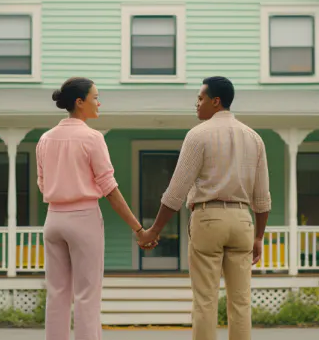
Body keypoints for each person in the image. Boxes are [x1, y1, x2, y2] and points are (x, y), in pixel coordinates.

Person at [138, 76, 270, 340]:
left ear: (216, 101)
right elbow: (262, 197)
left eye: (200, 98)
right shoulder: (254, 139)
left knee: (205, 301)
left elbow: (176, 191)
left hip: (208, 219)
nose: (196, 104)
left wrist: (154, 230)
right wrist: (258, 236)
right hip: (243, 221)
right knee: (241, 303)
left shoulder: (198, 135)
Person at [37, 77, 156, 340]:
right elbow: (110, 190)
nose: (99, 102)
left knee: (57, 294)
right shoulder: (92, 138)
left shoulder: (45, 139)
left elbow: (42, 183)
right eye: (95, 97)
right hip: (83, 219)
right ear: (80, 103)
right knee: (86, 295)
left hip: (53, 219)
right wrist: (138, 228)